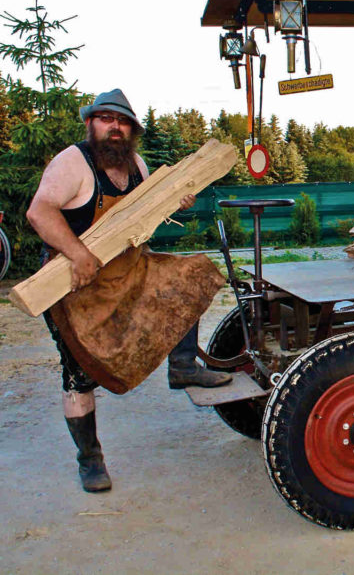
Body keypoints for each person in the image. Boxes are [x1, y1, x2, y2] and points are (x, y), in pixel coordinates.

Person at [27, 88, 231, 493]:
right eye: (106, 119)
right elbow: (39, 211)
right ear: (91, 124)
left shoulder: (135, 164)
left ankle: (183, 365)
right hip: (76, 289)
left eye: (122, 121)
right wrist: (77, 253)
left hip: (128, 273)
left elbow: (150, 210)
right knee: (79, 375)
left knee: (193, 275)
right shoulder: (73, 163)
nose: (114, 127)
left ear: (132, 130)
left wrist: (178, 200)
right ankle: (91, 461)